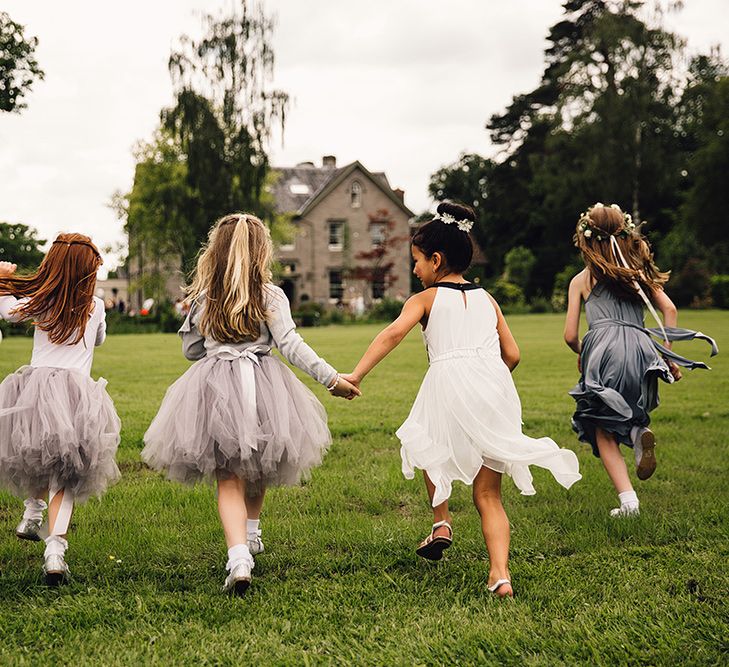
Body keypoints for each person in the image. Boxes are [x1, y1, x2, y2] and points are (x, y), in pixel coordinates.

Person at [342, 202, 581, 598]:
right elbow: (514, 355)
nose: (415, 270)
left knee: (424, 442)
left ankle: (441, 521)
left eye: (417, 261)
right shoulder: (488, 299)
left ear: (436, 260)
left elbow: (391, 334)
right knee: (488, 494)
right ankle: (499, 574)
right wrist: (486, 378)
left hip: (448, 380)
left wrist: (357, 374)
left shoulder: (426, 299)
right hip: (495, 387)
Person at [141, 213, 360, 596]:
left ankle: (239, 555)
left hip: (216, 387)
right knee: (261, 462)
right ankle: (252, 532)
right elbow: (290, 345)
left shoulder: (205, 297)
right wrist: (332, 379)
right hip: (264, 387)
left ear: (216, 252)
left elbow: (191, 351)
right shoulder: (271, 295)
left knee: (229, 476)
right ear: (261, 252)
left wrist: (207, 339)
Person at [564, 203, 717, 517]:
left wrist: (584, 352)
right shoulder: (637, 274)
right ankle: (636, 435)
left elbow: (569, 335)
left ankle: (629, 502)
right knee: (628, 411)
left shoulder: (581, 280)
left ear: (587, 239)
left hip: (603, 350)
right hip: (642, 349)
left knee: (599, 426)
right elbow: (669, 309)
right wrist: (666, 352)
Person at [0, 236, 121, 585]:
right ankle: (55, 552)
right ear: (88, 272)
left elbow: (7, 312)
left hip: (35, 390)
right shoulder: (95, 306)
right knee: (65, 473)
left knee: (35, 454)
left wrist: (5, 281)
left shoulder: (40, 302)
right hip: (77, 396)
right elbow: (98, 339)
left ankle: (32, 513)